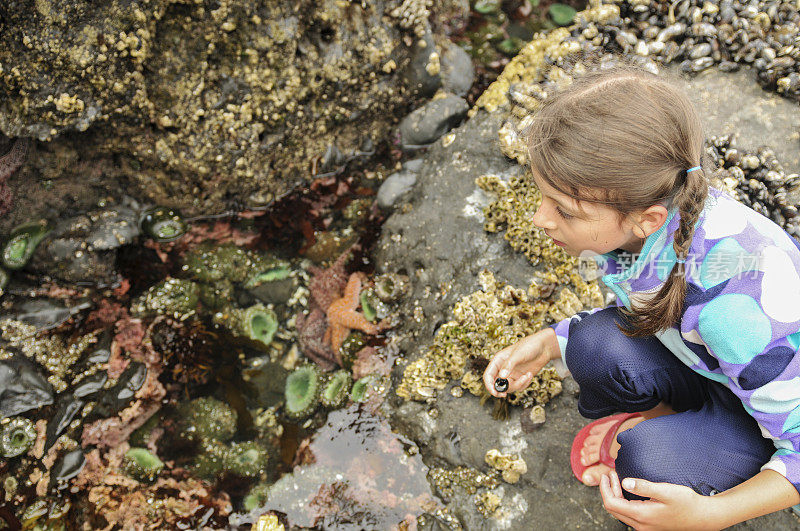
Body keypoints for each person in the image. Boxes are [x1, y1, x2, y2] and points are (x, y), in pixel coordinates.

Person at [481, 64, 800, 529]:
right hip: (714, 364)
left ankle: (693, 445)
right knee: (590, 343)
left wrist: (710, 515)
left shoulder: (734, 307)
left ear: (645, 219)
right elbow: (648, 305)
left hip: (775, 418)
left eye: (564, 211)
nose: (539, 219)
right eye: (543, 197)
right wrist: (553, 342)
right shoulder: (647, 226)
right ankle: (669, 412)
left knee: (647, 472)